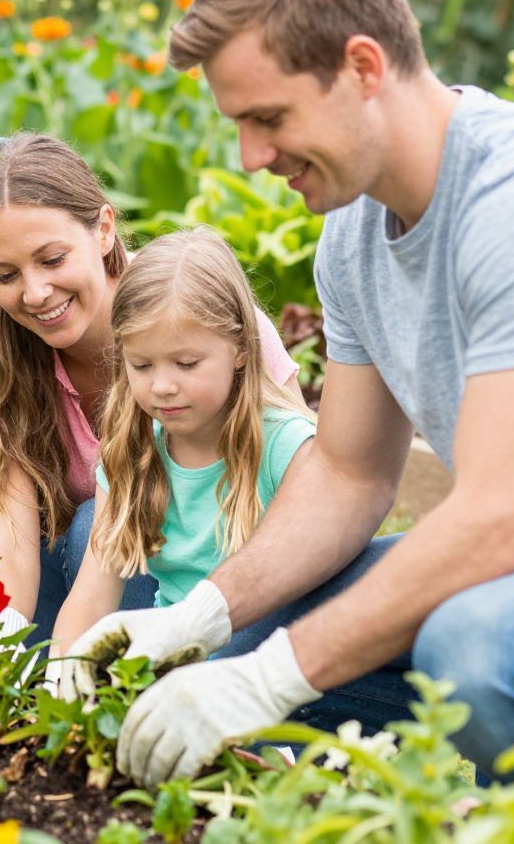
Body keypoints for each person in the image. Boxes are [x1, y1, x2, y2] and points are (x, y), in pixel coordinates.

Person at [64, 0, 514, 827]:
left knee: (482, 651)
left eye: (268, 118)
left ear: (362, 67)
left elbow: (502, 524)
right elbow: (350, 473)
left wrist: (272, 680)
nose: (251, 156)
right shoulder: (353, 236)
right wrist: (206, 615)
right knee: (266, 624)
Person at [0, 135, 298, 646]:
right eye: (5, 275)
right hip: (93, 575)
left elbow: (308, 487)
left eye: (52, 259)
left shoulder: (200, 317)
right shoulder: (9, 355)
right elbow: (12, 536)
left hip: (227, 587)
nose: (35, 292)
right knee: (56, 539)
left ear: (105, 229)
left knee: (101, 516)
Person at [44, 228, 314, 674]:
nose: (163, 386)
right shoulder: (133, 452)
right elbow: (93, 595)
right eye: (142, 365)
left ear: (242, 350)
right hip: (170, 666)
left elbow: (311, 596)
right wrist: (63, 670)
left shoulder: (286, 447)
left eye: (187, 364)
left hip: (271, 673)